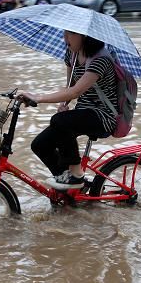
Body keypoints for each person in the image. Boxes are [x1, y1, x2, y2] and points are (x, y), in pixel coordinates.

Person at [19, 31, 118, 190]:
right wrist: (64, 104)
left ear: (85, 36)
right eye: (65, 33)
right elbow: (70, 88)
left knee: (60, 121)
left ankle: (76, 175)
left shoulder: (101, 59)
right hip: (83, 111)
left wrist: (37, 97)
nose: (65, 39)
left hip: (103, 116)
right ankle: (71, 188)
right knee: (40, 145)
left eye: (70, 34)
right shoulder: (72, 53)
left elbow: (76, 92)